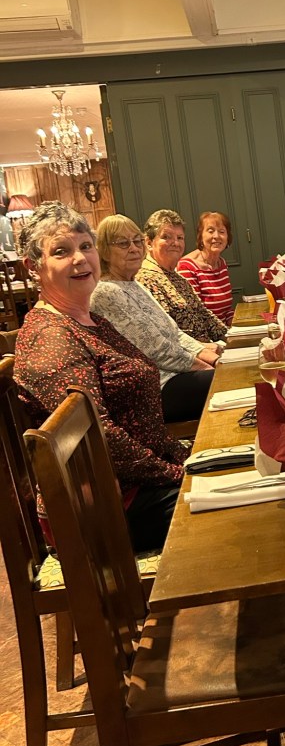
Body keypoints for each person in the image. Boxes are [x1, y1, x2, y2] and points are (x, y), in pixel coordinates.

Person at [13, 202, 185, 552]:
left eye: (85, 246)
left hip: (138, 482)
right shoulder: (51, 337)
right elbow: (100, 437)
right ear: (34, 266)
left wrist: (180, 457)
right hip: (104, 509)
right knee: (240, 508)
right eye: (61, 251)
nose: (80, 258)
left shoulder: (89, 319)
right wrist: (175, 473)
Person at [91, 215, 218, 423]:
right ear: (104, 251)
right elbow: (156, 351)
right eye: (123, 243)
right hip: (158, 388)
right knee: (231, 380)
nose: (134, 248)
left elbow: (175, 333)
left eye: (137, 241)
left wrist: (211, 357)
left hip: (177, 374)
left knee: (235, 372)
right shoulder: (106, 293)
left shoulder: (135, 284)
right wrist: (208, 367)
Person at [137, 208, 228, 344]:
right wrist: (202, 348)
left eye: (180, 238)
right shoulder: (144, 279)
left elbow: (205, 316)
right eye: (166, 237)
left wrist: (232, 337)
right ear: (149, 243)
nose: (176, 243)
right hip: (189, 355)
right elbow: (159, 336)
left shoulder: (178, 279)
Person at [177, 211, 234, 325]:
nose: (216, 236)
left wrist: (237, 326)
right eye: (210, 231)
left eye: (222, 231)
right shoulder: (187, 266)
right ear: (201, 236)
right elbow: (196, 314)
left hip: (225, 330)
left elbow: (227, 310)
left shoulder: (221, 263)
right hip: (206, 332)